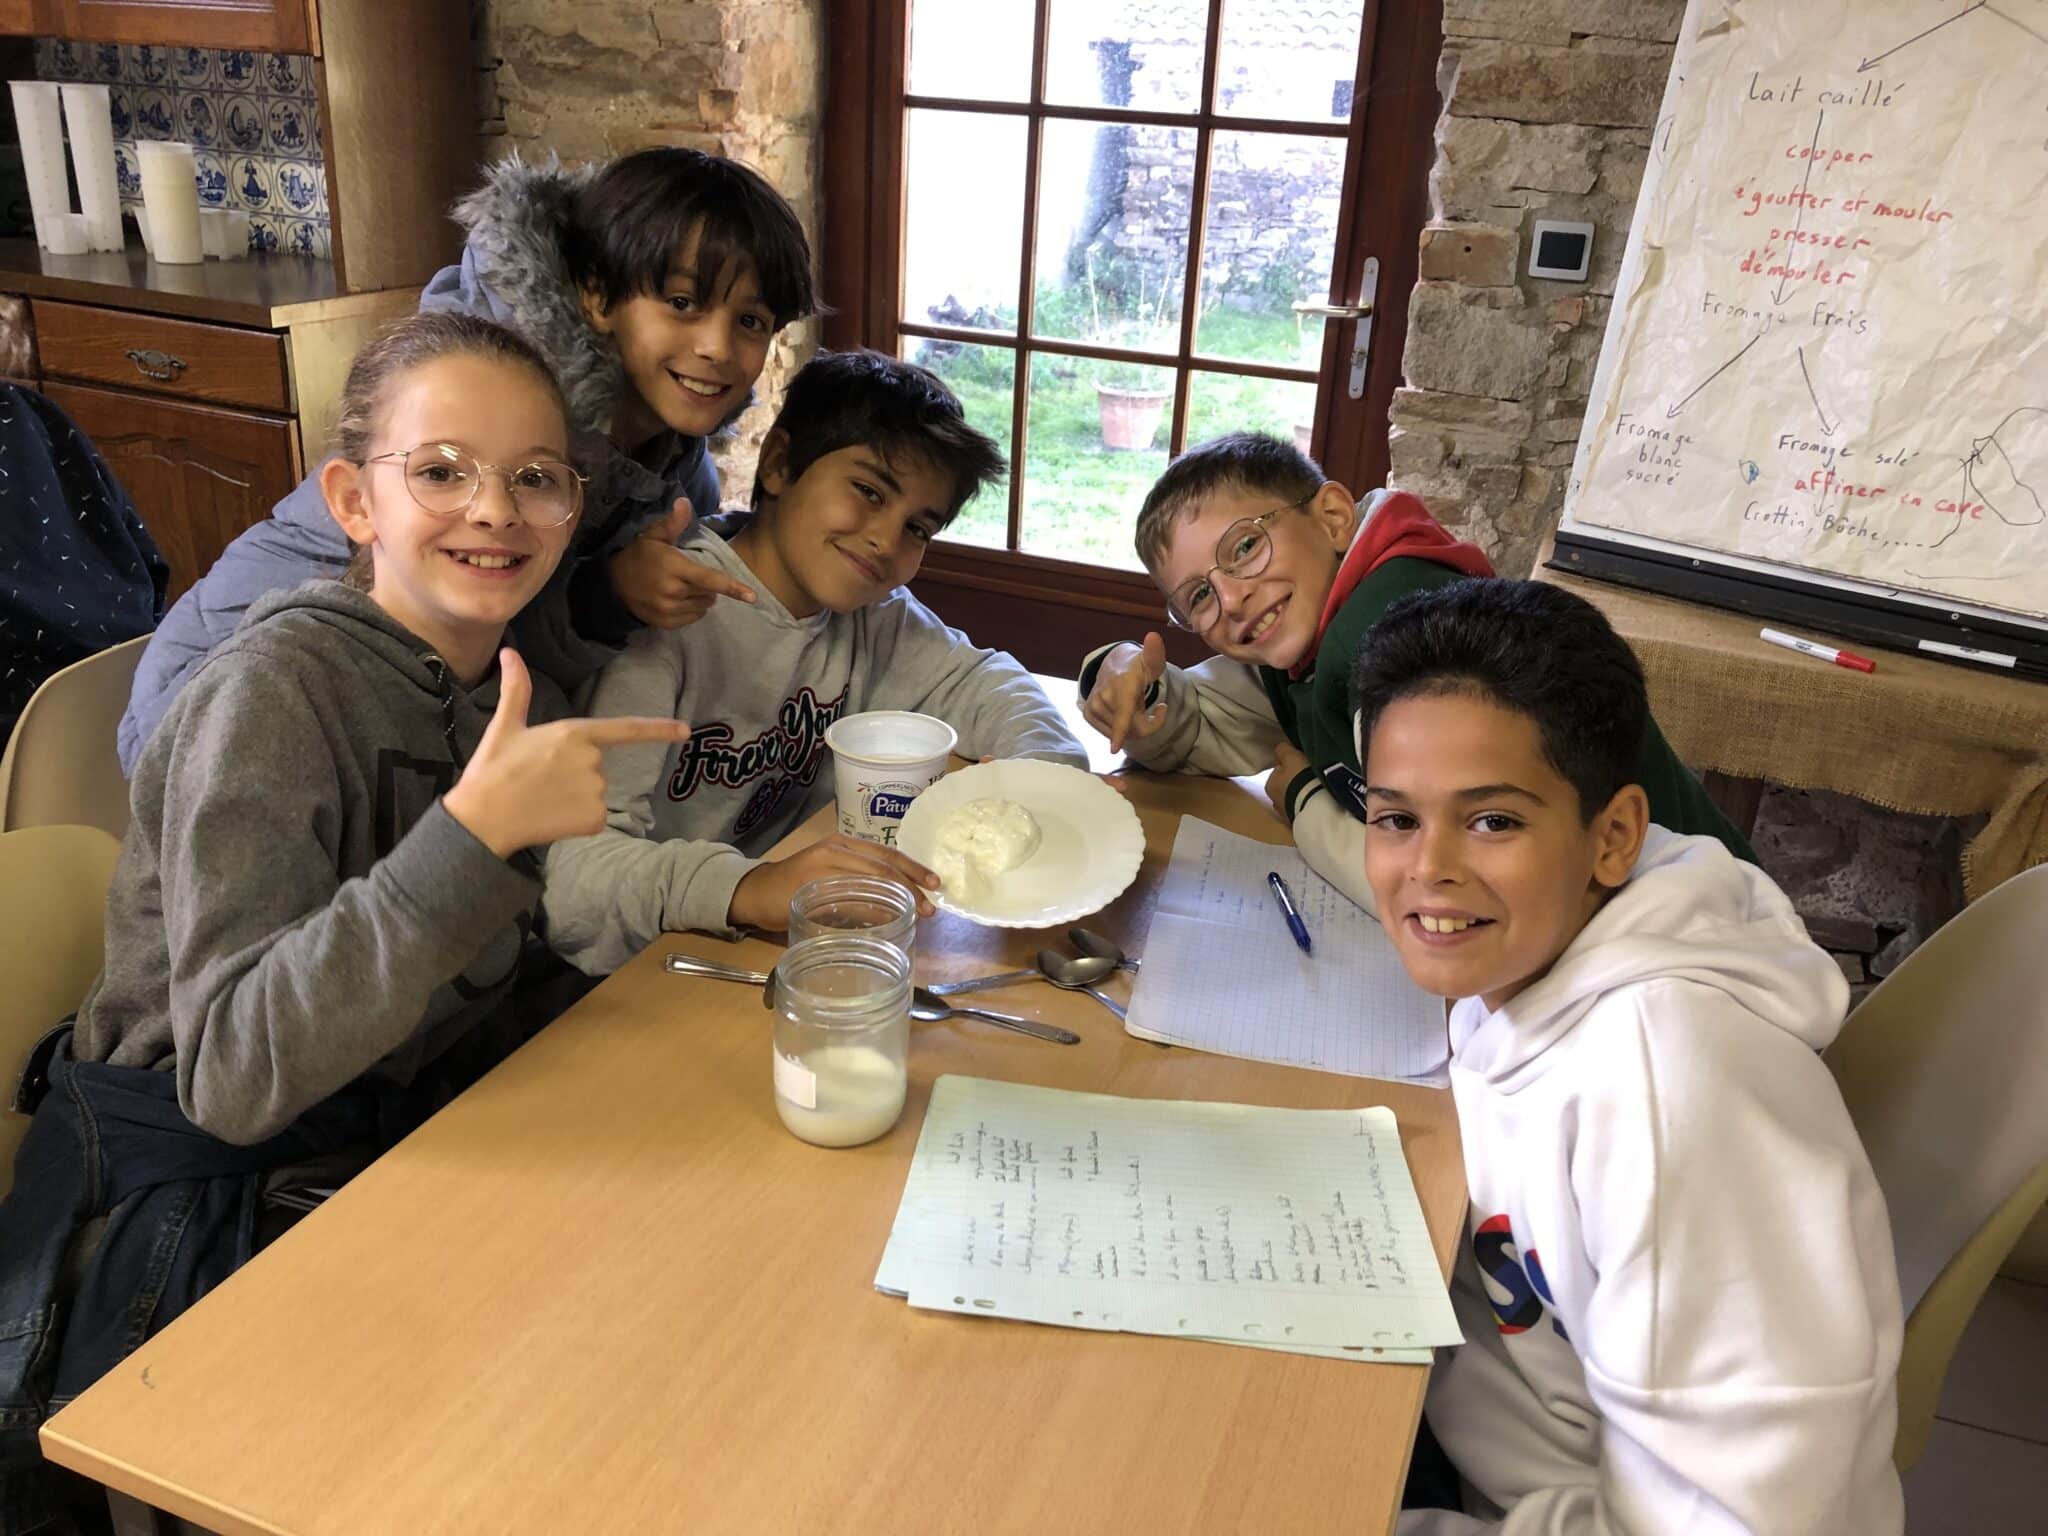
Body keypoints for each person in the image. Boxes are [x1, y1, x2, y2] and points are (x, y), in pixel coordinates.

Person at [0, 313, 687, 1534]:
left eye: (537, 477)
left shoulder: (489, 679)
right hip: (205, 1199)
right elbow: (234, 1074)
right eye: (441, 470)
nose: (495, 509)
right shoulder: (273, 696)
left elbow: (471, 971)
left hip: (390, 1131)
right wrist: (469, 842)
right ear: (353, 503)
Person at [1348, 578, 1903, 1534]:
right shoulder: (1529, 959)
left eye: (1492, 821)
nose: (1428, 868)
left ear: (1613, 838)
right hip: (1490, 1419)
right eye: (1397, 818)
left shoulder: (1670, 1095)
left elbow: (1740, 1518)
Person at [115, 147, 817, 773]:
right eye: (683, 303)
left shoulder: (676, 474)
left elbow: (495, 656)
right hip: (225, 716)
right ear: (597, 294)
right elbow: (435, 627)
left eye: (750, 321)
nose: (717, 348)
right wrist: (607, 598)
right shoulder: (478, 400)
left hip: (398, 740)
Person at [544, 349, 1087, 975]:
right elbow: (573, 884)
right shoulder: (670, 611)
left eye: (918, 528)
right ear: (779, 463)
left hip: (778, 950)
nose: (886, 539)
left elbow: (986, 681)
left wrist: (1046, 776)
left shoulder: (876, 615)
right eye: (868, 492)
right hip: (639, 972)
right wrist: (748, 887)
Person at [1076, 433, 1753, 915]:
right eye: (1198, 596)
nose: (1231, 598)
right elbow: (1219, 721)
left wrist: (1305, 800)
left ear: (1333, 518)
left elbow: (1429, 883)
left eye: (1245, 547)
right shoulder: (1305, 632)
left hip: (1688, 925)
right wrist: (1136, 691)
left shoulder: (1403, 640)